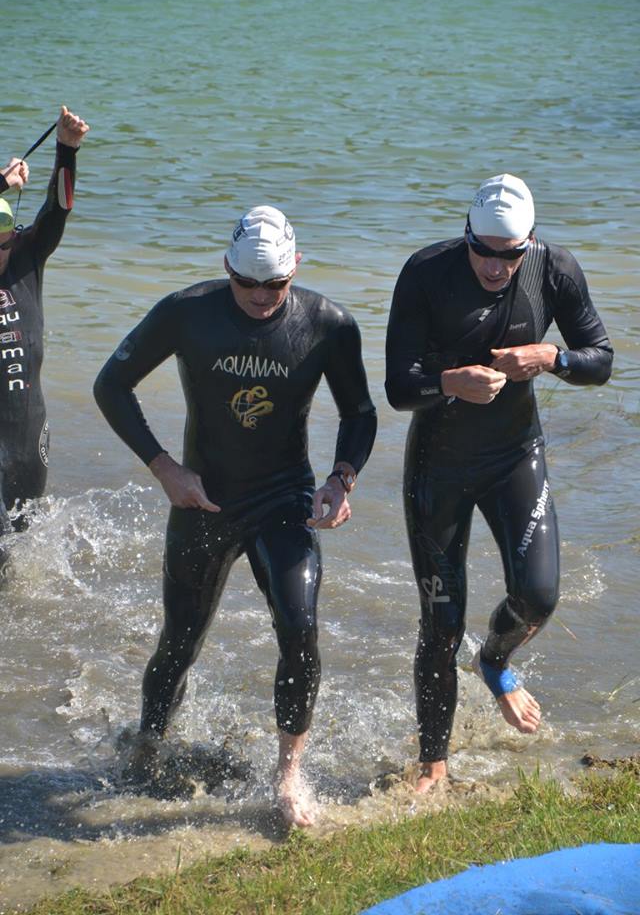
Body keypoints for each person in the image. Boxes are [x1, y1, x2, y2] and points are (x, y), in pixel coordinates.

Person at [94, 205, 377, 825]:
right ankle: (148, 747)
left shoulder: (328, 324)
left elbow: (360, 413)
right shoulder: (186, 312)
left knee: (300, 628)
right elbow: (111, 385)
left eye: (275, 284)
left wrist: (341, 480)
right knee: (180, 641)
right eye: (246, 282)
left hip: (283, 499)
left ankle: (288, 775)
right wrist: (164, 468)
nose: (260, 296)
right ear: (227, 267)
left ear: (295, 269)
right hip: (205, 499)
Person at [385, 174, 612, 792]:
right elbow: (399, 387)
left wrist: (551, 358)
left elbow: (600, 359)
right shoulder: (426, 272)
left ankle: (493, 660)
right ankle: (434, 764)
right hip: (438, 464)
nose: (493, 266)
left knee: (538, 596)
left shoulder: (554, 270)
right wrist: (449, 383)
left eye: (508, 255)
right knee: (441, 623)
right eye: (481, 250)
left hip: (515, 456)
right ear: (467, 235)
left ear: (529, 243)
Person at [0, 106, 89, 537]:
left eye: (4, 242)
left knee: (22, 542)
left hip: (27, 433)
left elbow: (60, 207)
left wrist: (66, 150)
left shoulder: (27, 257)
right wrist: (1, 181)